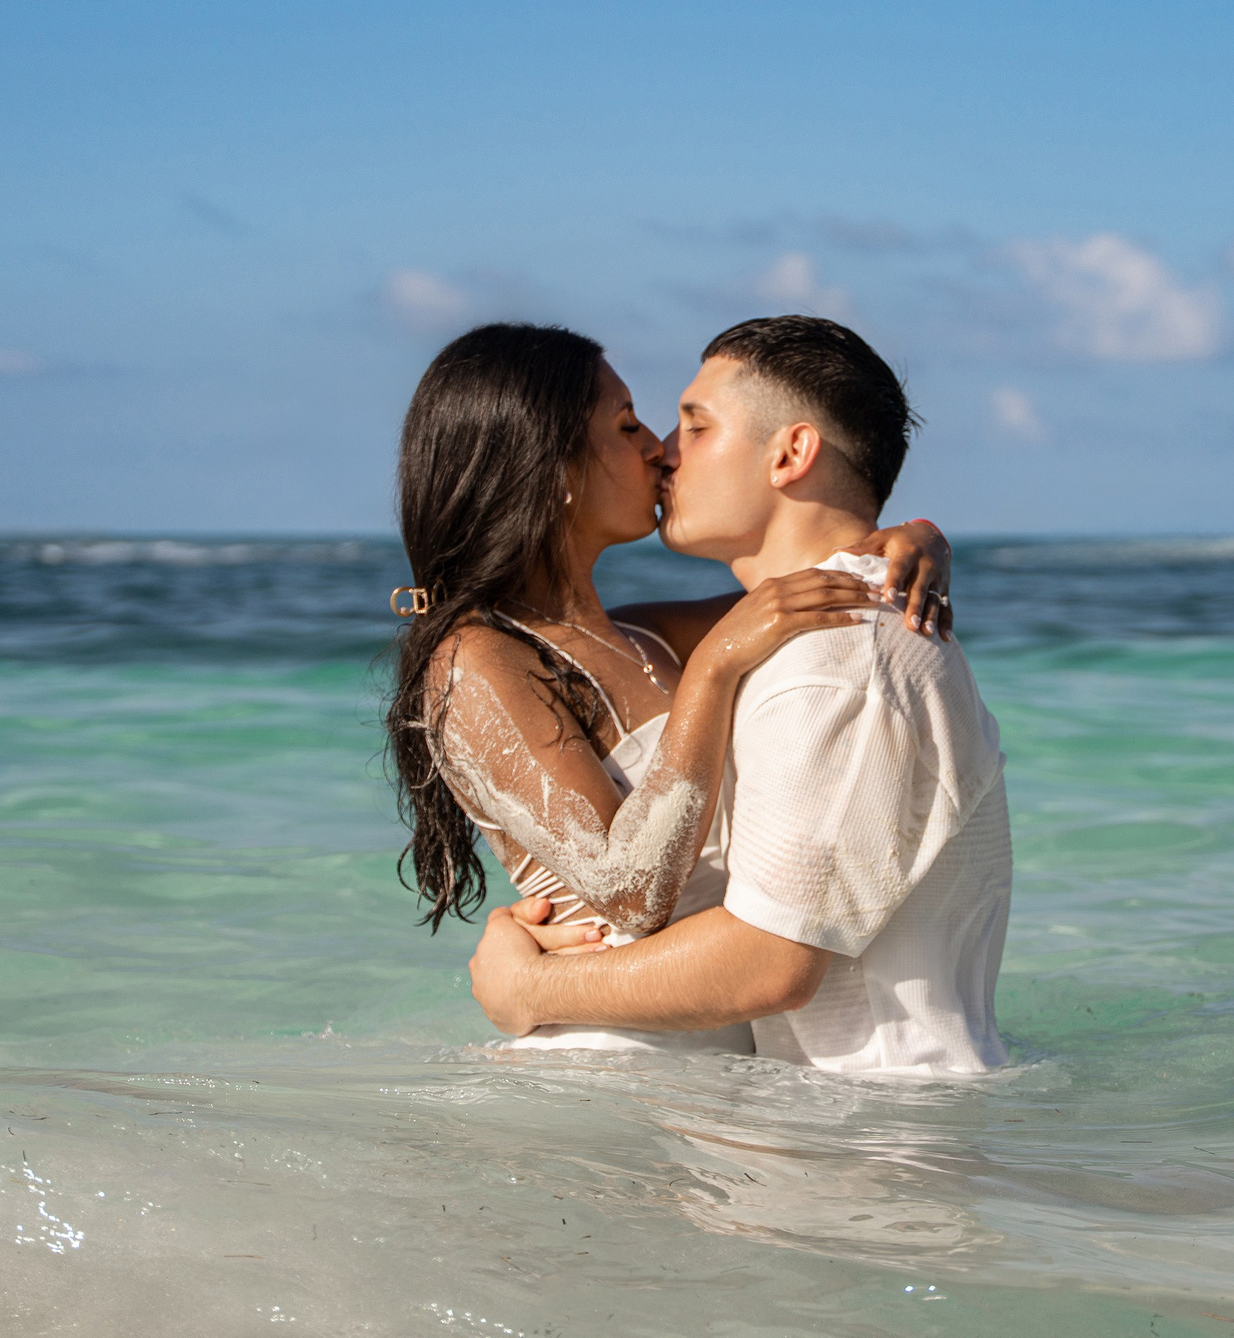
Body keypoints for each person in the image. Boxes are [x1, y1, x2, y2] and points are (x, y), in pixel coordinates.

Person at [384, 321, 955, 1053]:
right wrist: (713, 670)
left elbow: (821, 595)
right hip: (608, 1063)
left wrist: (917, 540)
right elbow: (630, 891)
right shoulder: (476, 662)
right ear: (551, 467)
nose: (657, 446)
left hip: (708, 1053)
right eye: (626, 425)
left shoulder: (644, 633)